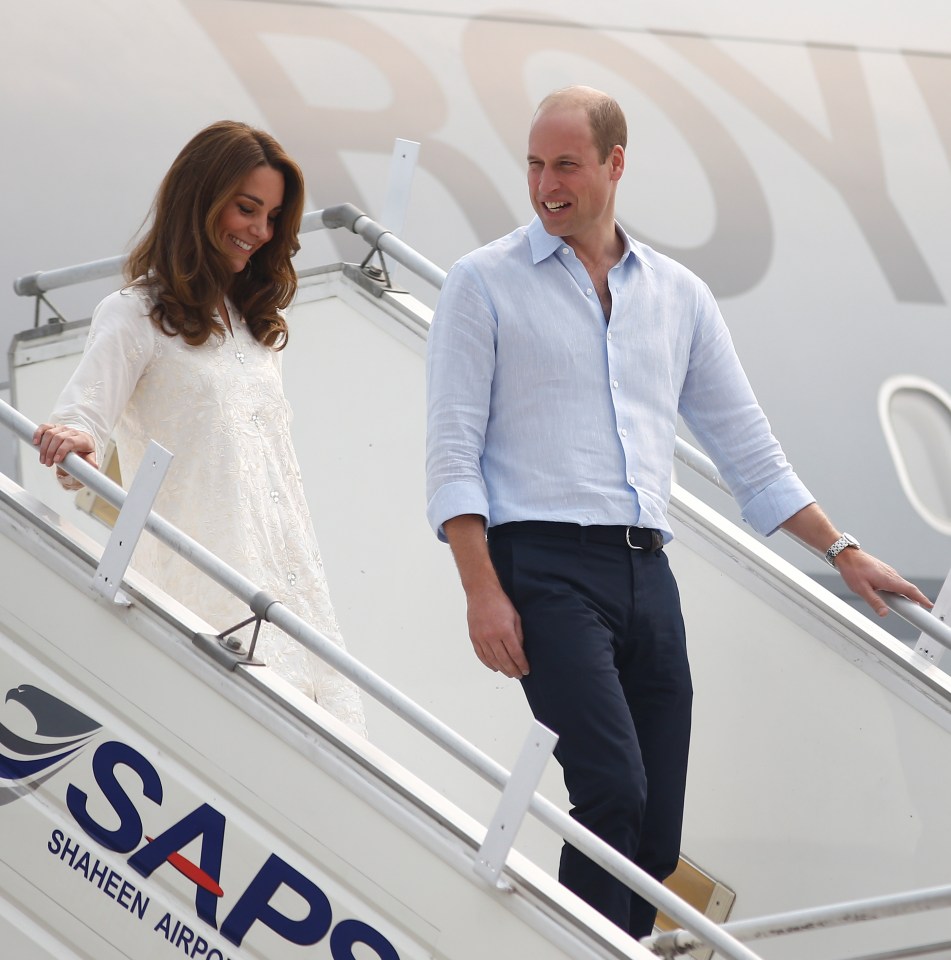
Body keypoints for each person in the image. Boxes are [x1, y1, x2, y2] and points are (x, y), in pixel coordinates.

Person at [425, 86, 931, 939]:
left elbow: (748, 450)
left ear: (614, 165)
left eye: (566, 165)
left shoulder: (678, 296)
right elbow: (450, 453)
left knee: (654, 835)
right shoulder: (482, 284)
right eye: (535, 164)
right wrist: (480, 588)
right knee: (611, 787)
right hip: (541, 569)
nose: (546, 183)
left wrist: (842, 549)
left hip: (645, 573)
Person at [33, 120, 366, 736]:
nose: (259, 232)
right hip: (204, 595)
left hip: (292, 586)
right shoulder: (133, 314)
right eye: (246, 208)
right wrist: (77, 438)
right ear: (200, 198)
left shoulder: (257, 329)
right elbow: (81, 416)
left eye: (271, 218)